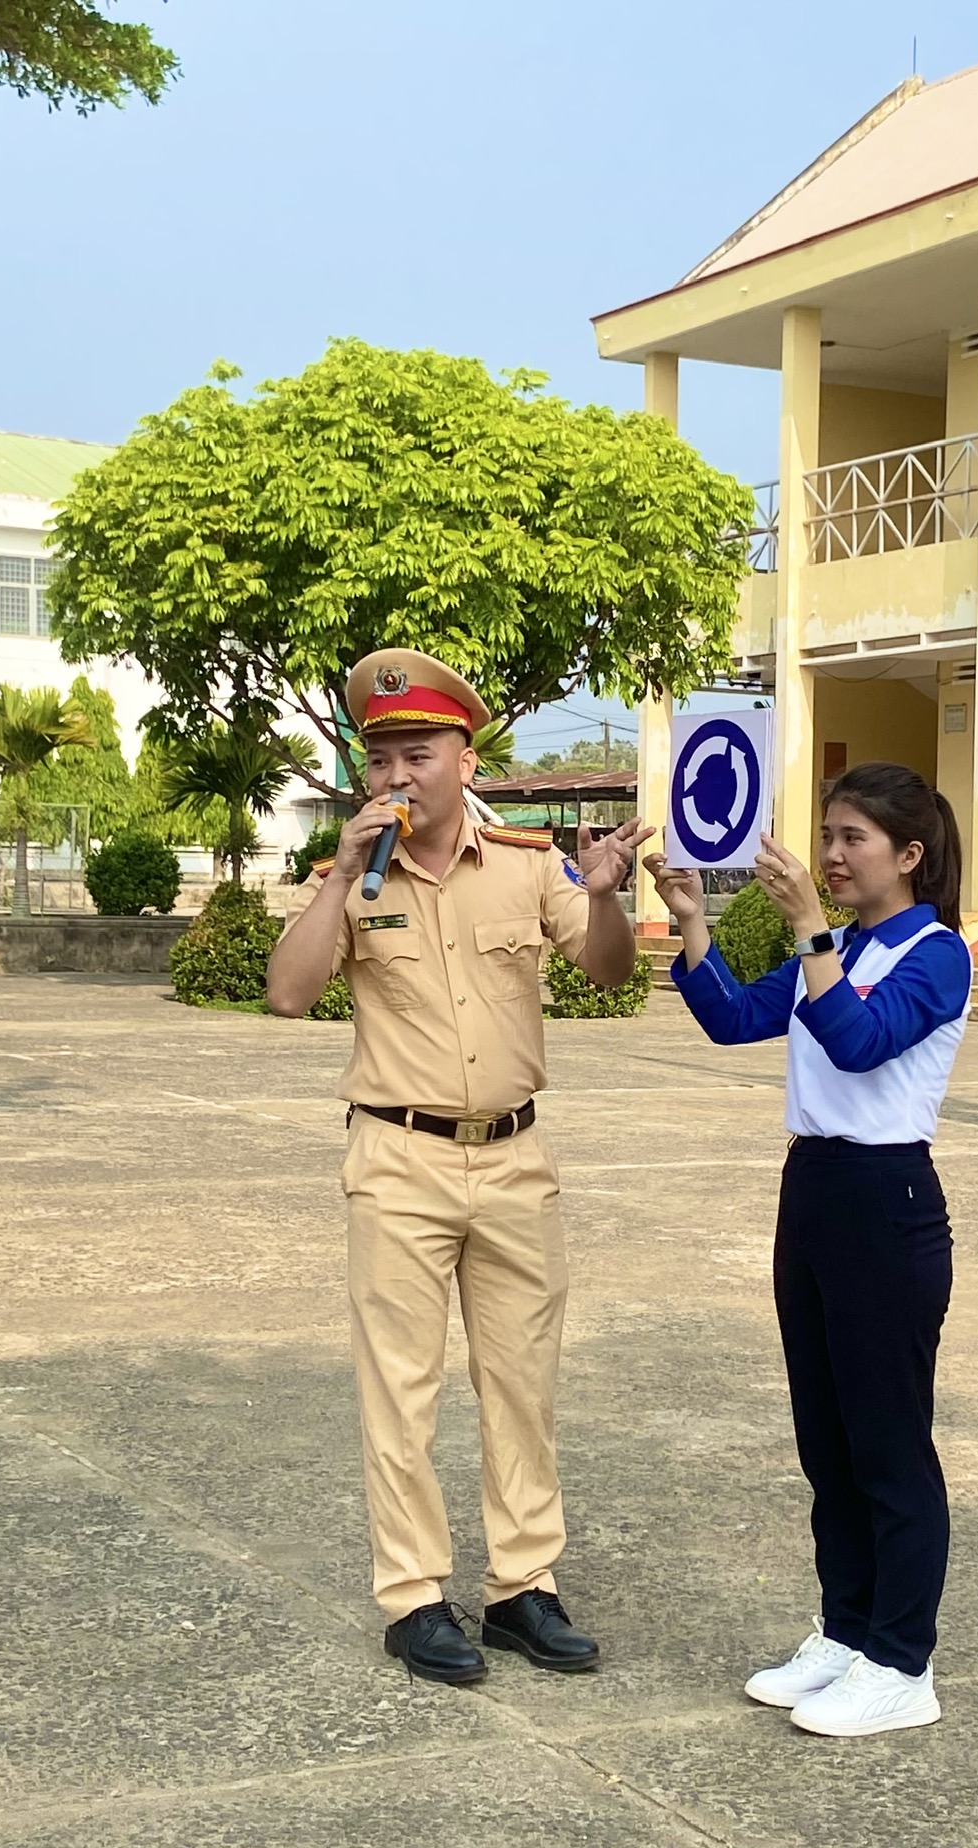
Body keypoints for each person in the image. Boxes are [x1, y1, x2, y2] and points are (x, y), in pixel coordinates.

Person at [265, 647, 656, 1686]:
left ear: (465, 759)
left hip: (515, 1158)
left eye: (419, 754)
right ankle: (413, 1598)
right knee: (399, 1390)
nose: (397, 774)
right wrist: (341, 877)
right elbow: (288, 996)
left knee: (521, 1382)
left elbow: (608, 971)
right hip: (398, 1159)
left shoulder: (528, 866)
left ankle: (523, 1589)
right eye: (380, 757)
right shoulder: (352, 879)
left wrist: (605, 897)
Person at [644, 761, 971, 1738]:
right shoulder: (844, 944)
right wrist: (693, 920)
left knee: (887, 1445)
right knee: (827, 1441)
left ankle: (902, 1662)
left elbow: (860, 1041)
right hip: (816, 1190)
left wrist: (808, 928)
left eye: (852, 838)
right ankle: (847, 1630)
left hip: (886, 1198)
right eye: (826, 836)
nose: (830, 854)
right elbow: (733, 1018)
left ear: (908, 854)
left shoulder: (936, 954)